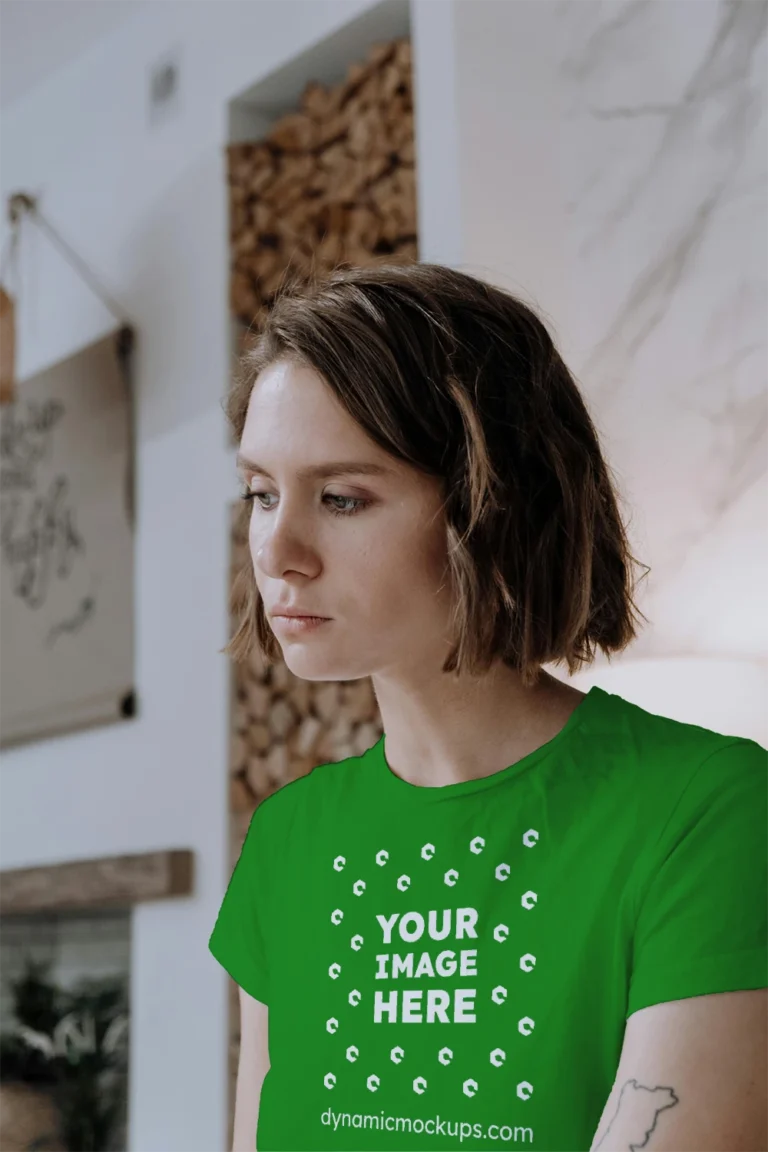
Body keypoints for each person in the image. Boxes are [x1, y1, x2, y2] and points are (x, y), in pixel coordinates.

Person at [208, 262, 768, 1152]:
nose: (277, 549)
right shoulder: (287, 839)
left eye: (342, 497)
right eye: (261, 494)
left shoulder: (708, 808)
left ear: (492, 504)